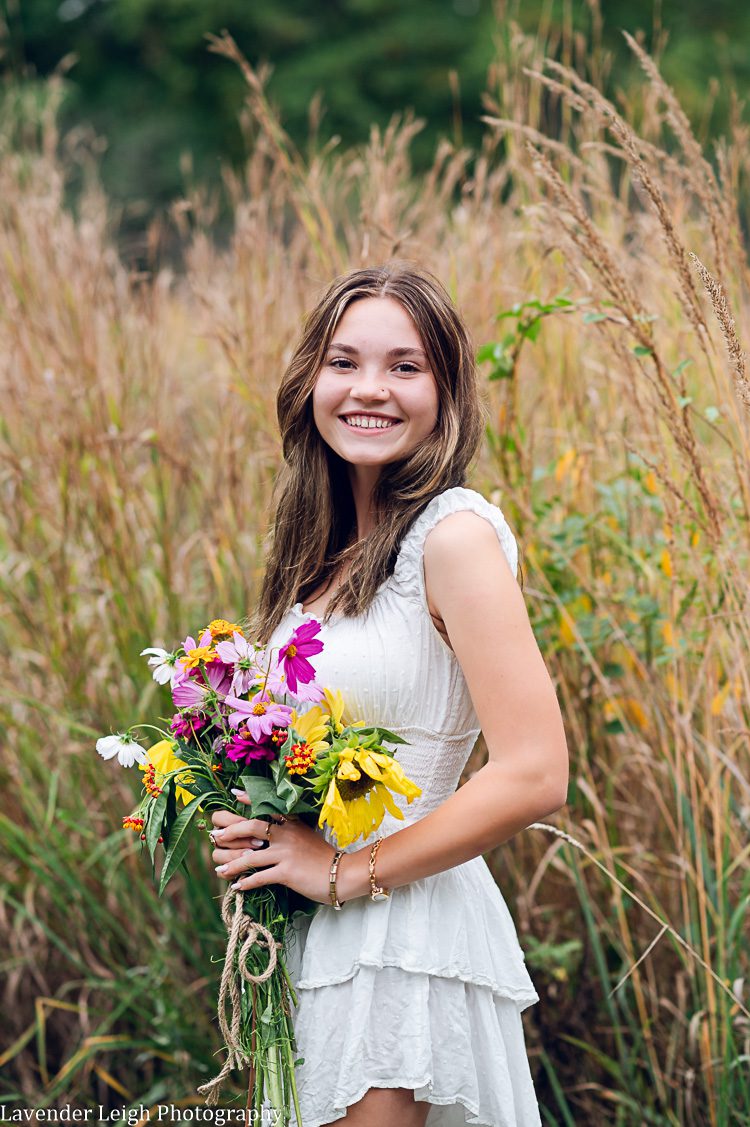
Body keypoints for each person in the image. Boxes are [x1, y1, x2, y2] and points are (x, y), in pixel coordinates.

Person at [210, 261, 569, 1126]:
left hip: (404, 937)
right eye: (345, 361)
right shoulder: (319, 558)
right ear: (309, 381)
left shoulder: (453, 536)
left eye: (405, 367)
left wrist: (339, 874)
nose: (370, 389)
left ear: (446, 393)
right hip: (323, 934)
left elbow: (535, 771)